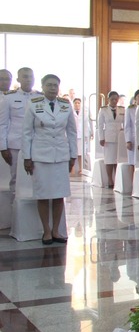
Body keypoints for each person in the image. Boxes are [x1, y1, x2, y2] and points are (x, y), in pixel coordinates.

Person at [22, 74, 76, 245]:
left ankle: (56, 231)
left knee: (59, 195)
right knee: (43, 195)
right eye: (49, 85)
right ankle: (46, 231)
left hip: (60, 155)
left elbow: (72, 132)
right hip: (41, 156)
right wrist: (27, 157)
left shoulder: (65, 105)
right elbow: (27, 132)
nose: (52, 88)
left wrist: (73, 155)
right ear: (43, 86)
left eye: (55, 85)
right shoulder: (34, 103)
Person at [0, 67, 42, 189]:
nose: (28, 80)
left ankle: (35, 206)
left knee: (37, 177)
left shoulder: (40, 97)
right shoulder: (9, 98)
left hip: (36, 143)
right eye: (25, 77)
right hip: (15, 143)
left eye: (30, 77)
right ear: (18, 79)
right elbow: (3, 124)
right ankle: (15, 206)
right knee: (15, 178)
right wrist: (3, 147)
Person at [96, 91, 124, 188]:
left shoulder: (121, 110)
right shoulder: (103, 110)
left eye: (116, 99)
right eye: (112, 99)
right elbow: (100, 125)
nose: (114, 101)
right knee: (109, 160)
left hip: (119, 138)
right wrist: (101, 138)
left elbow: (125, 123)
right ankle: (109, 179)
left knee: (117, 159)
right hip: (108, 137)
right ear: (108, 100)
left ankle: (117, 179)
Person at [122, 89, 139, 183]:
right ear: (135, 98)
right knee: (132, 162)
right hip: (133, 138)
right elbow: (127, 126)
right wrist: (128, 140)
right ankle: (133, 183)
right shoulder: (130, 109)